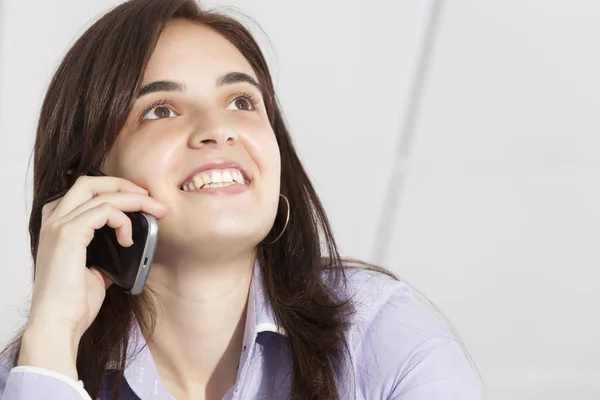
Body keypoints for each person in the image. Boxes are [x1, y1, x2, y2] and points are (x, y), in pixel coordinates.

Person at [0, 0, 481, 399]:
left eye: (241, 102)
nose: (217, 129)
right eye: (160, 109)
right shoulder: (34, 372)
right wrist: (52, 336)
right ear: (89, 179)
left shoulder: (380, 331)